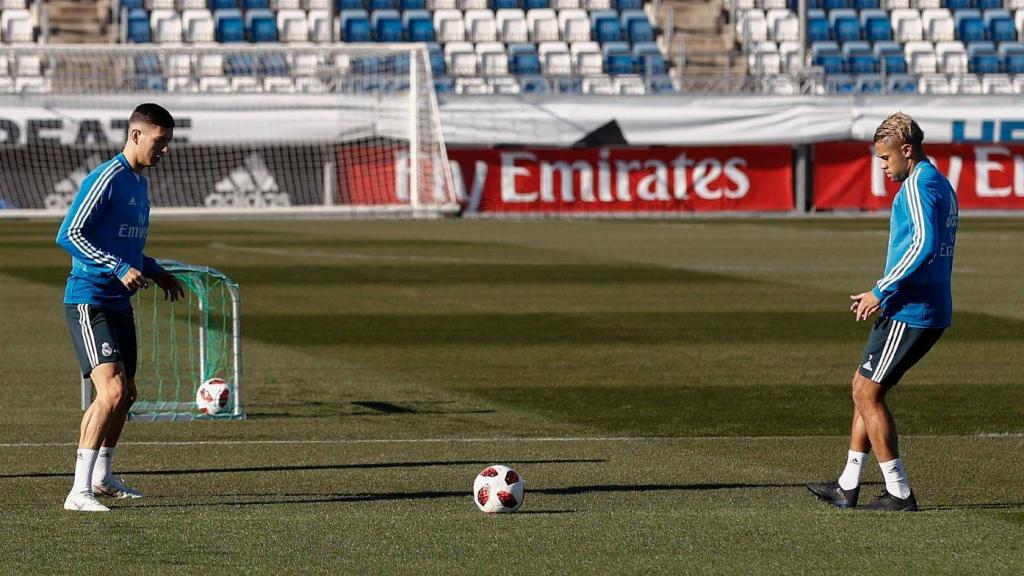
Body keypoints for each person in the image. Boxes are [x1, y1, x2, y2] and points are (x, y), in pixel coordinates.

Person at [807, 112, 958, 512]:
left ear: (907, 151)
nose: (882, 165)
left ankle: (899, 492)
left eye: (886, 158)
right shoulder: (940, 182)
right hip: (928, 305)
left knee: (865, 391)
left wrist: (880, 290)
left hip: (911, 308)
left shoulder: (916, 186)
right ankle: (848, 484)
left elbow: (922, 246)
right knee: (866, 388)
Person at [56, 103, 185, 512]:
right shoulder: (107, 178)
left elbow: (127, 245)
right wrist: (116, 265)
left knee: (127, 394)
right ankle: (78, 492)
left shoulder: (139, 183)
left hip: (118, 302)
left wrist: (155, 269)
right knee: (110, 391)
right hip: (88, 298)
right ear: (135, 135)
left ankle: (102, 476)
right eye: (159, 142)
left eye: (168, 143)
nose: (164, 150)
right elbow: (69, 233)